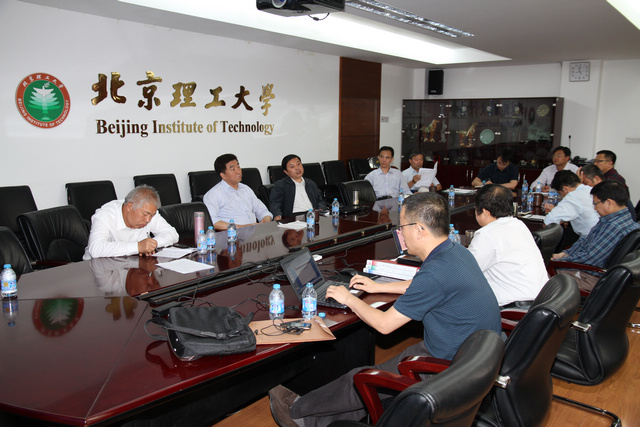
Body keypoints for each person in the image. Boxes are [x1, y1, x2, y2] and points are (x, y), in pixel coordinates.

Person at [268, 192, 501, 427]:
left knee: (359, 378)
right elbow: (420, 285)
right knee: (374, 386)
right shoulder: (455, 251)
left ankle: (296, 410)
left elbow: (385, 325)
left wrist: (348, 298)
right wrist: (378, 286)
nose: (400, 232)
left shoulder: (435, 273)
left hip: (447, 369)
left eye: (402, 226)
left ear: (419, 229)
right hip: (472, 358)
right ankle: (313, 422)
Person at [468, 184, 548, 308]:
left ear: (485, 212)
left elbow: (465, 272)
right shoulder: (518, 224)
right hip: (540, 300)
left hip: (514, 308)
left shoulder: (487, 234)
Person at [552, 180, 640, 291]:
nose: (594, 208)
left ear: (609, 202)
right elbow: (585, 241)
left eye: (595, 203)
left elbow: (590, 259)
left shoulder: (613, 227)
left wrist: (557, 261)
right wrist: (563, 254)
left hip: (589, 277)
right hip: (589, 272)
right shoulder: (621, 221)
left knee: (540, 276)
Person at [83, 185, 179, 260]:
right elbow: (95, 249)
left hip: (133, 264)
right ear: (129, 207)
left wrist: (152, 244)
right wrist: (138, 247)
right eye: (145, 214)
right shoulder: (105, 215)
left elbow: (172, 234)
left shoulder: (150, 211)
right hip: (100, 269)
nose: (148, 220)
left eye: (152, 215)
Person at [203, 153, 272, 230]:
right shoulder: (214, 194)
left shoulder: (246, 189)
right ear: (223, 175)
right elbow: (211, 221)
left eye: (238, 167)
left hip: (254, 233)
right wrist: (241, 227)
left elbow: (262, 210)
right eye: (233, 169)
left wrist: (266, 220)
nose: (239, 171)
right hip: (232, 234)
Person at [269, 154, 327, 221]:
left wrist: (320, 211)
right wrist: (277, 217)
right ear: (286, 172)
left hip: (312, 216)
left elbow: (320, 200)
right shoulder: (281, 185)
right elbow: (275, 204)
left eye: (298, 164)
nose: (297, 168)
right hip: (293, 218)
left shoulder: (311, 183)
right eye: (292, 166)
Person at [543, 170, 599, 237]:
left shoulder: (573, 196)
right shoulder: (590, 189)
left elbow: (548, 222)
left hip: (590, 238)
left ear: (565, 189)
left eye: (560, 193)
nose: (562, 197)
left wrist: (555, 212)